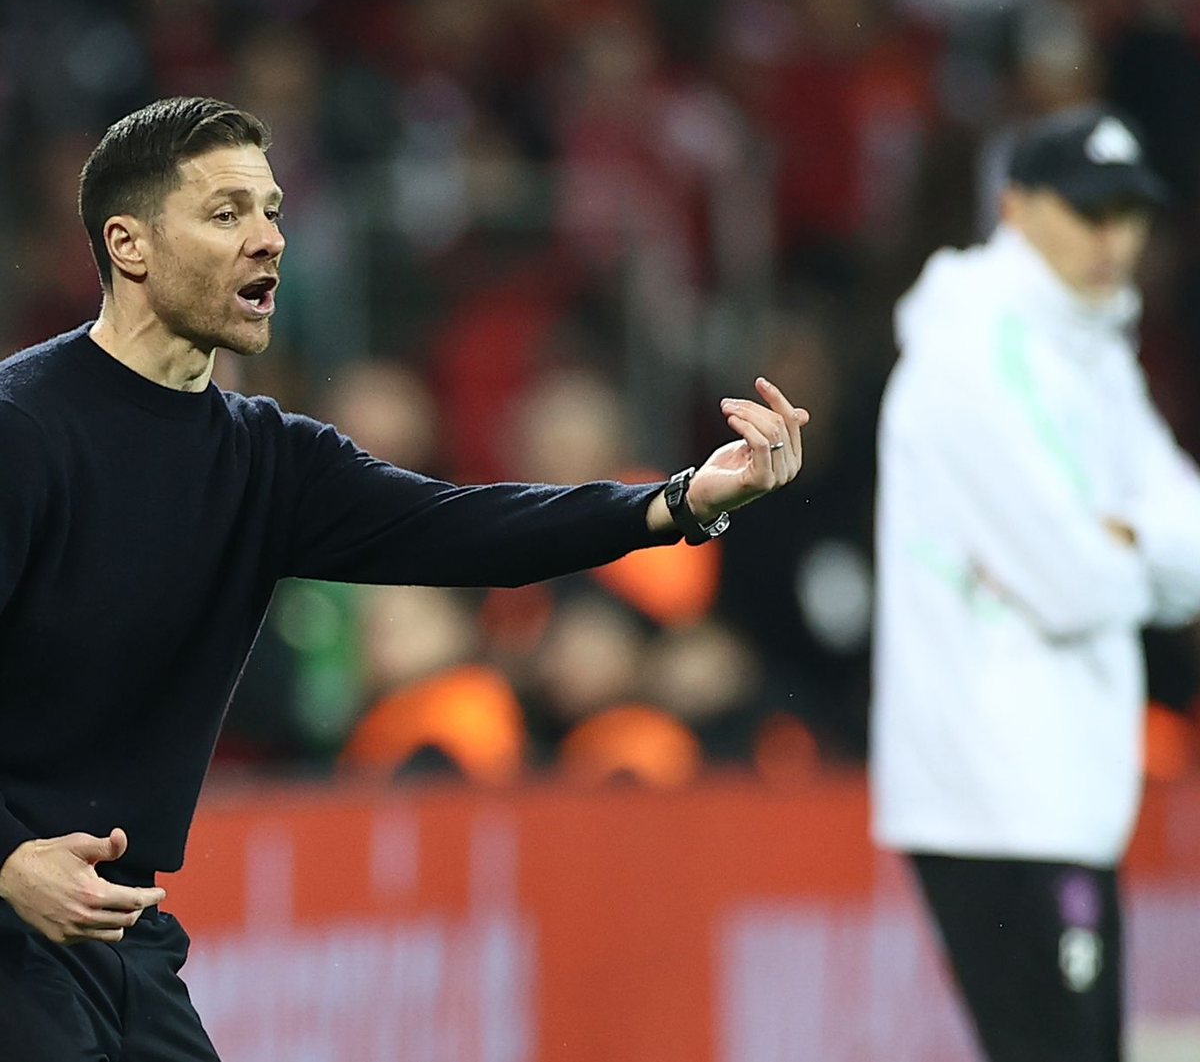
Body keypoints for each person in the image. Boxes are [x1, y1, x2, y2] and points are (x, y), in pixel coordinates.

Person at [0, 95, 809, 1059]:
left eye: (273, 211)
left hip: (118, 933)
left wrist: (678, 500)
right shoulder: (24, 431)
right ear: (127, 245)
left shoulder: (269, 460)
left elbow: (462, 528)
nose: (267, 240)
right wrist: (7, 862)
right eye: (226, 215)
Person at [871, 104, 1200, 1062]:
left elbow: (1167, 530)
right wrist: (1137, 545)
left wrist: (1124, 534)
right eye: (1089, 209)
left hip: (1059, 790)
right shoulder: (973, 353)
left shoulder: (1088, 348)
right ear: (1014, 207)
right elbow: (1076, 583)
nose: (1113, 238)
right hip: (996, 793)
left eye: (1131, 213)